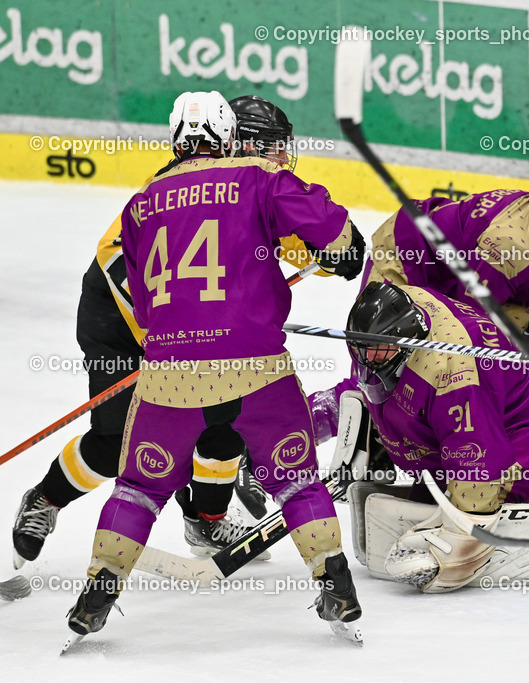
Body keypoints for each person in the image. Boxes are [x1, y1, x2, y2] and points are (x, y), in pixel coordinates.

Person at [65, 91, 365, 642]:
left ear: (176, 140)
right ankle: (336, 586)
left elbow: (149, 303)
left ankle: (96, 596)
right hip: (257, 371)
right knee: (296, 481)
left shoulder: (141, 203)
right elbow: (335, 233)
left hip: (169, 373)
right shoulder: (258, 176)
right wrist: (342, 251)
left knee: (136, 488)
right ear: (230, 137)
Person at [11, 94, 307, 568]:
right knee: (119, 442)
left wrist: (327, 253)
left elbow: (295, 237)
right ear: (238, 144)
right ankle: (44, 500)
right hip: (121, 320)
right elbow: (116, 266)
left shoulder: (251, 186)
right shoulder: (176, 187)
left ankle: (206, 520)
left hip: (184, 328)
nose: (279, 157)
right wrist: (164, 343)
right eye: (270, 146)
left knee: (224, 416)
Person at [309, 282, 529, 593]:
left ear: (408, 341)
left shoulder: (455, 373)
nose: (366, 358)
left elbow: (478, 458)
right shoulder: (387, 331)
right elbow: (367, 377)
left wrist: (458, 542)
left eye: (377, 351)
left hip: (526, 431)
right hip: (479, 411)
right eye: (361, 349)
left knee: (478, 497)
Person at [366, 154, 529, 357]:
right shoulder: (511, 245)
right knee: (384, 363)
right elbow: (470, 317)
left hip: (467, 281)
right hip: (408, 256)